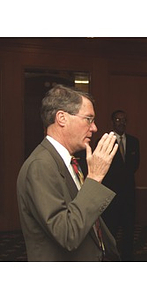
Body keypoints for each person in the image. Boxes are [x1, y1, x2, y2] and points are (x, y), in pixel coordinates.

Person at [17, 84, 120, 261]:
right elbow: (67, 234)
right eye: (88, 119)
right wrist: (94, 178)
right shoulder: (41, 166)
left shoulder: (68, 161)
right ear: (62, 118)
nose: (94, 128)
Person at [100, 110, 140, 261]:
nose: (121, 122)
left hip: (129, 194)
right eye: (118, 119)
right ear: (112, 122)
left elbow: (135, 165)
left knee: (129, 230)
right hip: (111, 195)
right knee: (111, 229)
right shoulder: (104, 142)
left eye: (124, 120)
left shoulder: (134, 141)